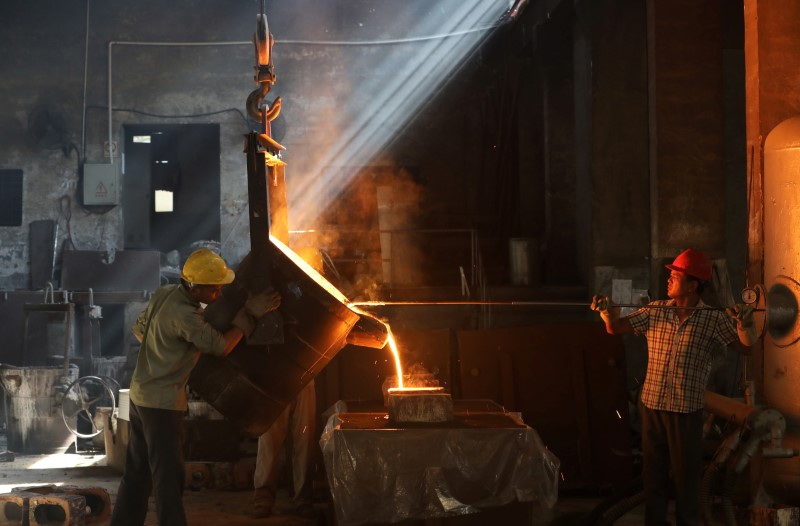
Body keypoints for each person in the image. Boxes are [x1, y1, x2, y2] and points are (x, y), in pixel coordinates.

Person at [110, 248, 280, 526]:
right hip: (161, 406)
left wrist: (167, 353)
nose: (219, 294)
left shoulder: (164, 294)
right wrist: (250, 313)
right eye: (214, 289)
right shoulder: (187, 317)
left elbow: (139, 331)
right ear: (196, 287)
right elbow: (222, 346)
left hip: (140, 397)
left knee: (137, 472)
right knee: (168, 478)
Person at [591, 248, 756, 526]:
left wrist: (745, 324)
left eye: (675, 276)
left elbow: (745, 347)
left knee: (685, 484)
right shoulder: (655, 311)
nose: (668, 280)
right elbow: (616, 328)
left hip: (685, 414)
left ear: (693, 285)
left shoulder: (713, 319)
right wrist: (607, 312)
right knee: (653, 481)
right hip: (653, 409)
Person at [252, 246, 321, 519]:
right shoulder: (273, 292)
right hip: (277, 371)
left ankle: (302, 496)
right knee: (270, 437)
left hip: (305, 372)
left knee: (305, 437)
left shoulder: (311, 296)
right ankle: (263, 495)